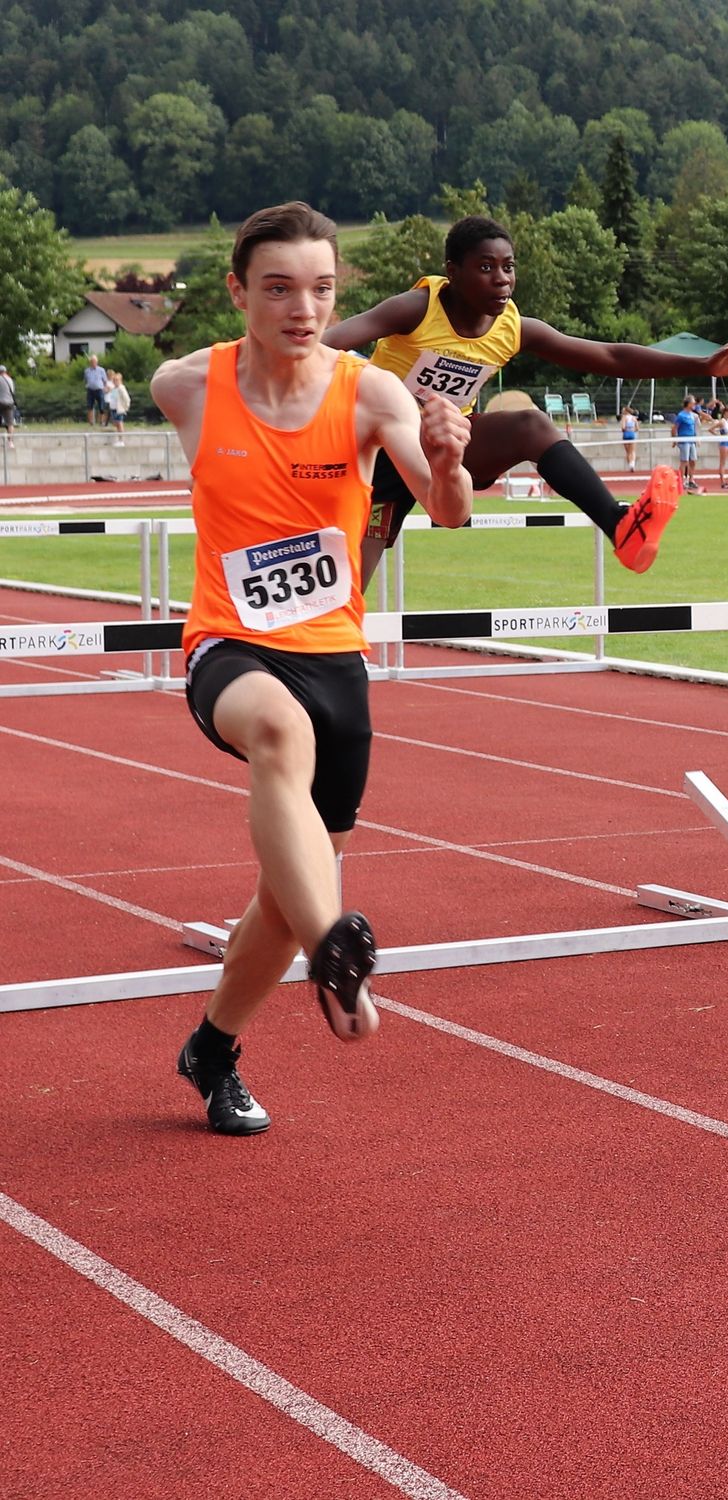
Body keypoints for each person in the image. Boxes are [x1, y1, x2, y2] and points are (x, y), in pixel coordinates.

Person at [151, 202, 475, 1135]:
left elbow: (445, 509)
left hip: (335, 656)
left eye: (323, 289)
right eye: (280, 288)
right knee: (278, 736)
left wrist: (449, 460)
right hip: (230, 644)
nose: (304, 308)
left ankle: (213, 1047)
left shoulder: (371, 392)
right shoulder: (188, 386)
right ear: (238, 292)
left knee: (286, 900)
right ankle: (339, 942)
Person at [321, 214, 728, 585]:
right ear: (452, 271)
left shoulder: (513, 328)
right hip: (377, 451)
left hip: (445, 449)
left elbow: (609, 355)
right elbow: (329, 343)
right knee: (343, 599)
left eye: (509, 267)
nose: (502, 280)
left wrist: (704, 365)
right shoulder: (416, 309)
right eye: (485, 268)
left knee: (529, 425)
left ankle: (619, 525)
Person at [672, 395, 700, 490]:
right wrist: (674, 439)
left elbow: (694, 428)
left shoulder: (692, 415)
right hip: (684, 440)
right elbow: (674, 428)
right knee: (684, 461)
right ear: (688, 404)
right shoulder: (681, 415)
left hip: (691, 440)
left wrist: (696, 438)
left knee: (693, 460)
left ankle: (691, 480)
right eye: (693, 403)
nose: (694, 405)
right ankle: (681, 480)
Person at [83, 354, 108, 426]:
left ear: (97, 362)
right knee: (90, 406)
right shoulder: (87, 371)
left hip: (99, 390)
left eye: (95, 361)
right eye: (92, 361)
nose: (93, 363)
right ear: (90, 362)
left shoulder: (101, 370)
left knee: (101, 406)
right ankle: (91, 422)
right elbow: (85, 380)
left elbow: (105, 380)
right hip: (90, 390)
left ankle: (101, 421)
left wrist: (105, 388)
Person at [107, 370, 131, 444]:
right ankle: (119, 439)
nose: (115, 382)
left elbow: (126, 398)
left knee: (120, 424)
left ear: (120, 381)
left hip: (119, 409)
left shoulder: (121, 388)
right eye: (114, 380)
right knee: (116, 424)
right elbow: (113, 398)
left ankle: (121, 440)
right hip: (114, 409)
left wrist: (126, 407)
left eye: (117, 380)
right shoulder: (114, 389)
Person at [0, 363, 15, 449]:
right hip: (9, 402)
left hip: (0, 401)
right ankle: (10, 442)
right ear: (5, 371)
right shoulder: (10, 379)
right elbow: (12, 392)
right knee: (10, 423)